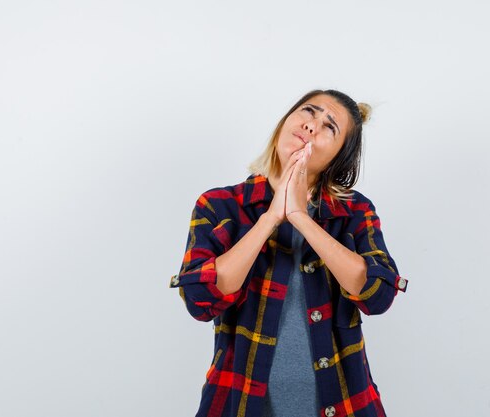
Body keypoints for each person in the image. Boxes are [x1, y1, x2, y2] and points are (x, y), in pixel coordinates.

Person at [169, 89, 408, 417]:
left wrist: (300, 217)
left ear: (339, 157)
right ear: (286, 121)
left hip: (347, 405)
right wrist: (270, 218)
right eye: (309, 111)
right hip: (237, 405)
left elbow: (378, 295)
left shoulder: (355, 212)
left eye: (330, 127)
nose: (312, 125)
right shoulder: (219, 205)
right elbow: (199, 300)